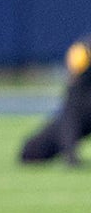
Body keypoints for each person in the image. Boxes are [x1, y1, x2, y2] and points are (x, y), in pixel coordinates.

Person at [20, 34, 91, 166]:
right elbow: (70, 117)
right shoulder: (82, 51)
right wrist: (71, 156)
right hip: (81, 100)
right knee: (31, 150)